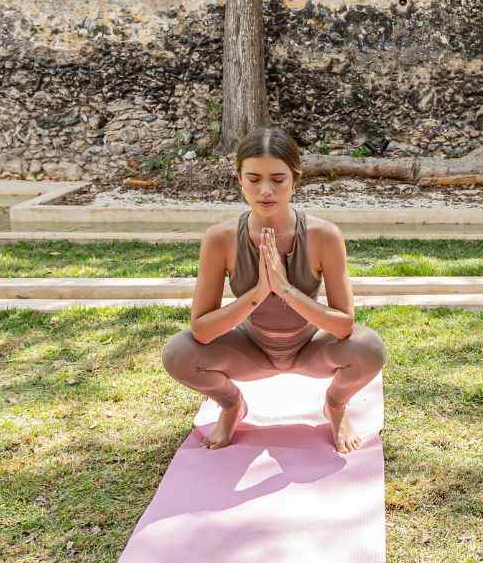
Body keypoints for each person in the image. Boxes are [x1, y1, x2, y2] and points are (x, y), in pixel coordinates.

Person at [162, 126, 385, 452]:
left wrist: (285, 290)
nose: (265, 190)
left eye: (278, 179)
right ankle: (231, 405)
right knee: (178, 353)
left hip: (311, 347)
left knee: (370, 348)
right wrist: (257, 293)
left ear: (295, 180)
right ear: (239, 180)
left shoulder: (324, 236)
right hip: (250, 350)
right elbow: (202, 330)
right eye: (253, 179)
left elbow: (343, 325)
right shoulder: (220, 239)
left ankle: (335, 406)